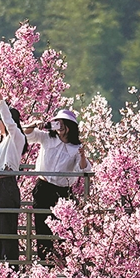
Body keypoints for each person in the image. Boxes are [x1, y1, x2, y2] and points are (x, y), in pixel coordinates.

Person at [25, 109, 91, 261]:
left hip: (62, 191)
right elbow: (28, 134)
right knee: (42, 226)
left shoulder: (76, 147)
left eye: (63, 124)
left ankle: (64, 262)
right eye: (58, 123)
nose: (60, 126)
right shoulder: (47, 137)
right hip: (43, 186)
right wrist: (35, 124)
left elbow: (84, 169)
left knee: (64, 228)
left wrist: (82, 155)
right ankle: (44, 262)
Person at [0, 84, 26, 267]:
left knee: (7, 226)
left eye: (0, 120)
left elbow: (10, 123)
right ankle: (0, 261)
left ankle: (10, 264)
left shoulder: (16, 137)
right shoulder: (5, 141)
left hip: (7, 184)